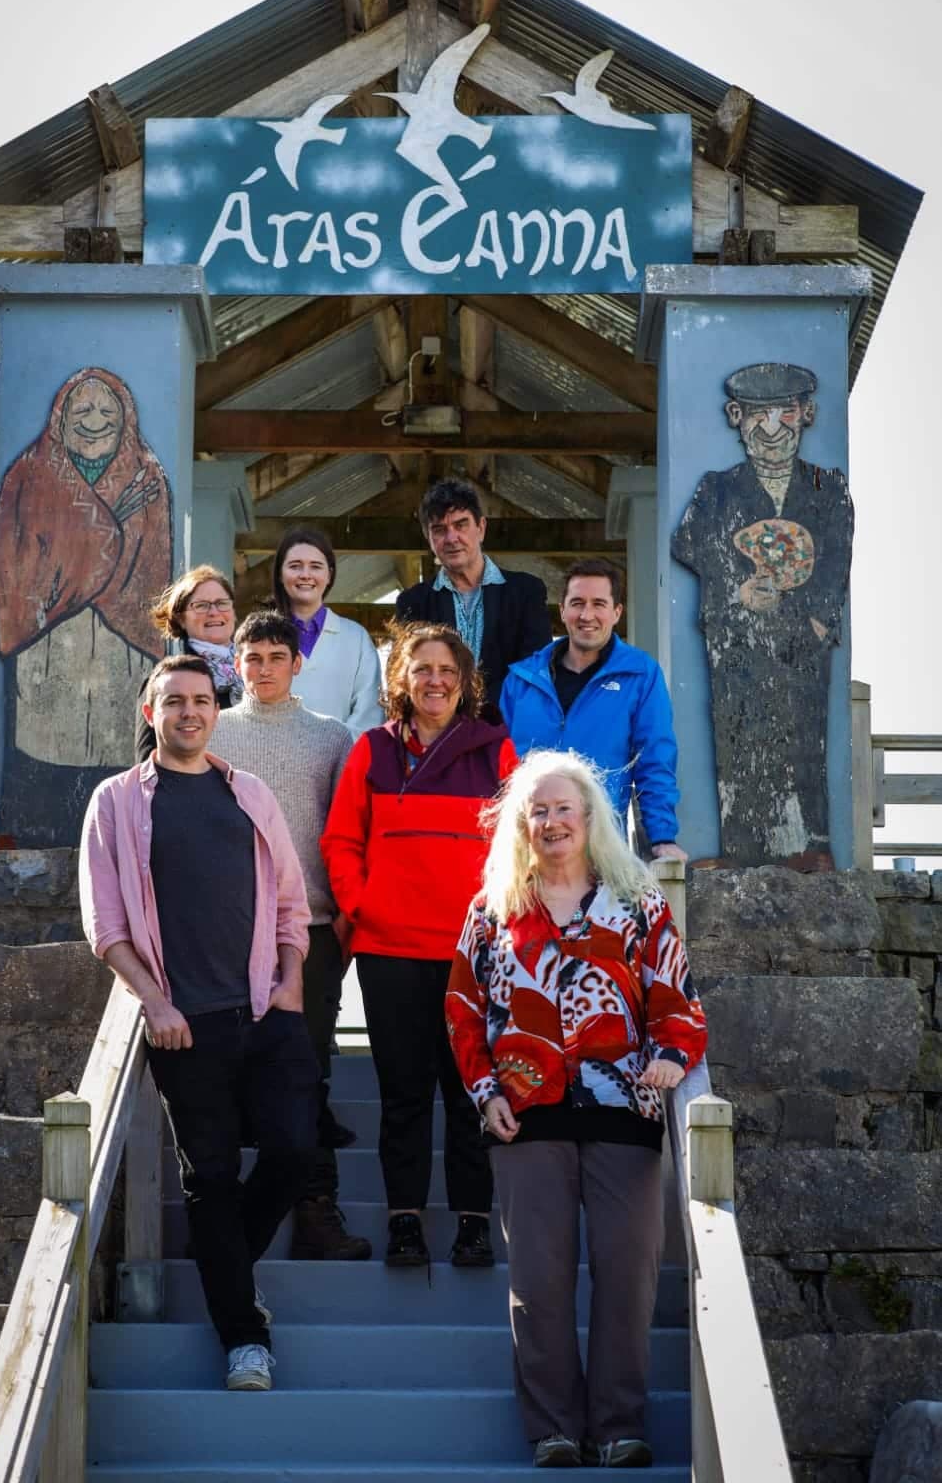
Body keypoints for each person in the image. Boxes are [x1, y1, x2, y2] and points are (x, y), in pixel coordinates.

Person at [446, 750, 707, 1469]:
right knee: (538, 1280)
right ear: (520, 825)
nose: (552, 821)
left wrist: (672, 1057)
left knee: (628, 1276)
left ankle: (620, 1424)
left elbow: (678, 1001)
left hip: (625, 1111)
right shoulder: (492, 909)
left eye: (564, 808)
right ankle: (553, 1428)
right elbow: (464, 1012)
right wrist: (485, 1092)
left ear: (591, 819)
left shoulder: (637, 900)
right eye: (538, 810)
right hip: (526, 1120)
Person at [79, 653, 315, 1394]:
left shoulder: (248, 793)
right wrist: (155, 1002)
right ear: (151, 713)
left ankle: (230, 1272)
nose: (188, 712)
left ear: (218, 711)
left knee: (296, 1153)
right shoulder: (116, 802)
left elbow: (290, 902)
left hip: (264, 1010)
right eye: (172, 701)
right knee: (211, 1180)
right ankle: (245, 1341)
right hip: (186, 1023)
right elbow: (106, 923)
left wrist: (292, 983)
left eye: (201, 700)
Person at [321, 622, 518, 1269]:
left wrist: (497, 928)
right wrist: (363, 906)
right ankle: (404, 1222)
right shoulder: (372, 751)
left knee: (471, 1095)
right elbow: (341, 842)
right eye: (422, 668)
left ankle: (473, 1224)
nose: (435, 680)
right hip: (390, 952)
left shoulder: (497, 752)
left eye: (447, 670)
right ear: (400, 679)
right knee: (403, 1095)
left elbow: (517, 853)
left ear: (465, 683)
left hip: (472, 956)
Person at [209, 609, 370, 1262]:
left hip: (313, 927)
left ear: (297, 662)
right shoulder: (212, 731)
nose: (265, 668)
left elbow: (349, 832)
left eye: (277, 657)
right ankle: (226, 1214)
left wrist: (347, 914)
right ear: (236, 664)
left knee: (309, 1070)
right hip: (227, 928)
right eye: (253, 658)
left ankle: (314, 1213)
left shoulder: (332, 739)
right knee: (225, 1070)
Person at [671, 362, 853, 867]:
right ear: (735, 415)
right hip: (735, 640)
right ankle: (741, 847)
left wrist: (815, 620)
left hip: (802, 638)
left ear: (806, 414)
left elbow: (837, 554)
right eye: (756, 414)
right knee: (738, 736)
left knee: (804, 736)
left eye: (785, 412)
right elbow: (687, 541)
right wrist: (737, 587)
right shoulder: (717, 488)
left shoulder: (827, 486)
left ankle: (810, 844)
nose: (771, 428)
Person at [0, 366, 171, 844]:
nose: (95, 420)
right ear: (61, 417)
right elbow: (21, 565)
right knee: (44, 757)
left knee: (120, 756)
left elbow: (151, 569)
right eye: (83, 409)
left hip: (122, 647)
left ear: (125, 418)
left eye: (107, 410)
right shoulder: (28, 475)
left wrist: (101, 533)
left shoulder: (147, 475)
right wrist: (110, 523)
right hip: (47, 647)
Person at [500, 559, 686, 860]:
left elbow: (655, 760)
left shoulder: (640, 675)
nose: (587, 615)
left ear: (616, 613)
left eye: (599, 604)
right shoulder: (521, 680)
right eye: (577, 603)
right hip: (528, 849)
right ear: (562, 610)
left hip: (602, 850)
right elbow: (500, 770)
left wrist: (662, 836)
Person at [394, 479, 552, 706]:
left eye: (461, 525)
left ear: (481, 528)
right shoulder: (413, 602)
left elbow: (533, 670)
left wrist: (475, 715)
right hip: (440, 733)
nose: (451, 538)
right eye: (439, 530)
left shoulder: (526, 592)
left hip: (506, 729)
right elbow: (408, 677)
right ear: (428, 538)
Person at [271, 524, 384, 737]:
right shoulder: (262, 638)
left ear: (329, 575)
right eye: (295, 566)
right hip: (273, 762)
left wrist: (335, 752)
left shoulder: (356, 638)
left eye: (315, 566)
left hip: (343, 764)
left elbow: (369, 714)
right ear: (279, 573)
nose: (305, 574)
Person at [134, 564, 243, 762]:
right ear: (181, 618)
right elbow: (147, 762)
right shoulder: (165, 681)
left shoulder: (254, 673)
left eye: (222, 603)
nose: (214, 612)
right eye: (201, 605)